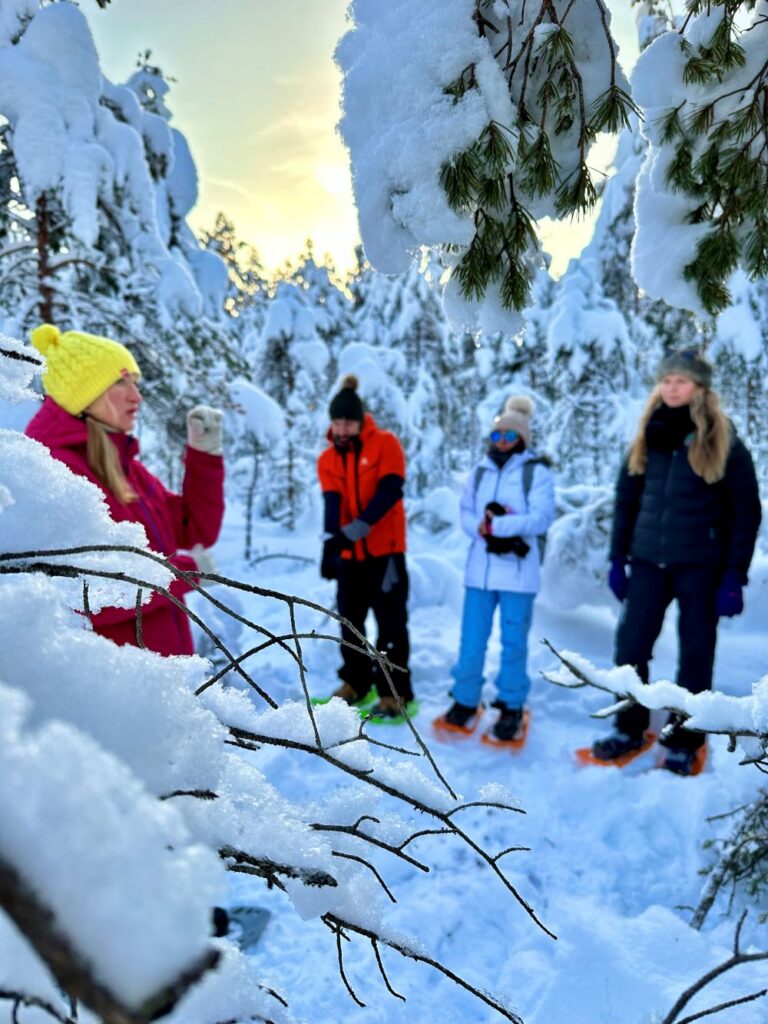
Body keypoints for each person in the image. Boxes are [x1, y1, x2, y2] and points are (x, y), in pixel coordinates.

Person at [592, 347, 761, 775]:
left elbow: (747, 511)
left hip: (701, 566)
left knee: (696, 654)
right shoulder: (649, 433)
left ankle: (685, 737)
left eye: (681, 381)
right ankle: (629, 727)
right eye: (666, 381)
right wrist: (618, 558)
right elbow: (626, 500)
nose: (672, 388)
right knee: (630, 648)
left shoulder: (722, 439)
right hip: (649, 561)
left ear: (699, 388)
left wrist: (733, 577)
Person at [25, 323, 225, 657]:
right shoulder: (57, 472)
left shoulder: (125, 467)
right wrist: (183, 572)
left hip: (160, 671)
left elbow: (193, 529)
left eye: (135, 381)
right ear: (84, 395)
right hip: (113, 681)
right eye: (121, 381)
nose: (137, 394)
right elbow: (85, 596)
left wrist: (204, 455)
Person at [435, 396, 556, 743]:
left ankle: (511, 705)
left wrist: (499, 525)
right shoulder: (480, 471)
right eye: (496, 435)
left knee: (514, 642)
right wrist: (481, 528)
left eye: (509, 436)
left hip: (519, 575)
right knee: (471, 641)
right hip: (480, 573)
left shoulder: (536, 472)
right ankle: (465, 699)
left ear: (522, 439)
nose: (501, 442)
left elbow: (542, 517)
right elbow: (466, 514)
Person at [316, 374, 414, 722]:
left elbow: (390, 493)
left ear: (360, 421)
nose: (342, 429)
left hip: (385, 555)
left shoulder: (385, 444)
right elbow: (332, 503)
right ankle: (356, 682)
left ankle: (393, 692)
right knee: (349, 624)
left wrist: (354, 531)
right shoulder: (328, 459)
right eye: (337, 422)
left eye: (348, 422)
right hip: (350, 559)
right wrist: (330, 545)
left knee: (390, 625)